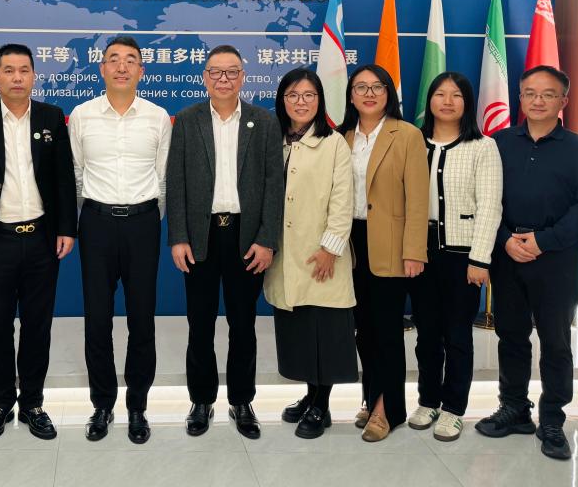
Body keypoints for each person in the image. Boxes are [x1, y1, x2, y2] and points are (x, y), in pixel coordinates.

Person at [475, 65, 578, 460]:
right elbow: (485, 199)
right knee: (510, 335)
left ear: (564, 100)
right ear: (520, 98)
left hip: (557, 259)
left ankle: (552, 419)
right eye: (530, 93)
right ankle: (514, 408)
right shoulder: (498, 143)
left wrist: (543, 241)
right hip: (508, 253)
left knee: (556, 341)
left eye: (548, 94)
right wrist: (504, 240)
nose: (538, 101)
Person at [0, 43, 76, 441]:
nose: (17, 77)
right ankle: (0, 403)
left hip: (42, 239)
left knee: (38, 325)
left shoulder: (52, 116)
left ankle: (33, 404)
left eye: (24, 70)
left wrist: (66, 228)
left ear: (34, 76)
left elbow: (63, 178)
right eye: (8, 70)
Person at [166, 45, 281, 439]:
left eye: (232, 72)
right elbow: (176, 182)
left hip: (246, 237)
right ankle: (201, 401)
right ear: (205, 77)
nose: (224, 79)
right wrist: (178, 237)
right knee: (199, 323)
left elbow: (274, 185)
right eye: (216, 72)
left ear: (243, 77)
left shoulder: (263, 122)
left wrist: (267, 239)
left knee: (243, 324)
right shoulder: (187, 120)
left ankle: (242, 401)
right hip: (201, 235)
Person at [69, 35, 171, 444]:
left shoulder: (157, 117)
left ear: (141, 70)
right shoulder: (82, 115)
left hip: (143, 224)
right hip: (96, 224)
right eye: (114, 59)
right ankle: (102, 404)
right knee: (97, 320)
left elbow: (163, 178)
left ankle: (138, 407)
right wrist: (94, 214)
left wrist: (146, 217)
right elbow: (76, 174)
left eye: (131, 60)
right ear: (102, 69)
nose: (122, 67)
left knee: (141, 320)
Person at [406, 72, 502, 442]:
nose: (448, 101)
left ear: (467, 102)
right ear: (429, 100)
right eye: (440, 94)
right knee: (426, 334)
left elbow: (490, 206)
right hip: (420, 252)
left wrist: (480, 259)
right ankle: (428, 400)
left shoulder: (483, 147)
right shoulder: (413, 143)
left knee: (458, 334)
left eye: (456, 95)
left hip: (463, 255)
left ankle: (454, 408)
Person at [265, 67, 357, 440]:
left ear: (320, 100)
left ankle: (322, 404)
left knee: (326, 333)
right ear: (282, 100)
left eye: (309, 95)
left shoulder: (334, 143)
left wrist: (330, 249)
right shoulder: (274, 140)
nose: (301, 102)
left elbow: (342, 199)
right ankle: (309, 395)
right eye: (293, 95)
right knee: (301, 332)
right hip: (285, 255)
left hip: (322, 254)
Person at [337, 63, 427, 442]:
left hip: (391, 243)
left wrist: (414, 250)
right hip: (348, 245)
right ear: (351, 96)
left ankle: (387, 409)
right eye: (361, 87)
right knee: (362, 331)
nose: (369, 93)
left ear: (389, 92)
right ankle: (371, 395)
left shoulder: (406, 135)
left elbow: (418, 199)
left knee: (387, 330)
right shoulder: (341, 137)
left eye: (377, 87)